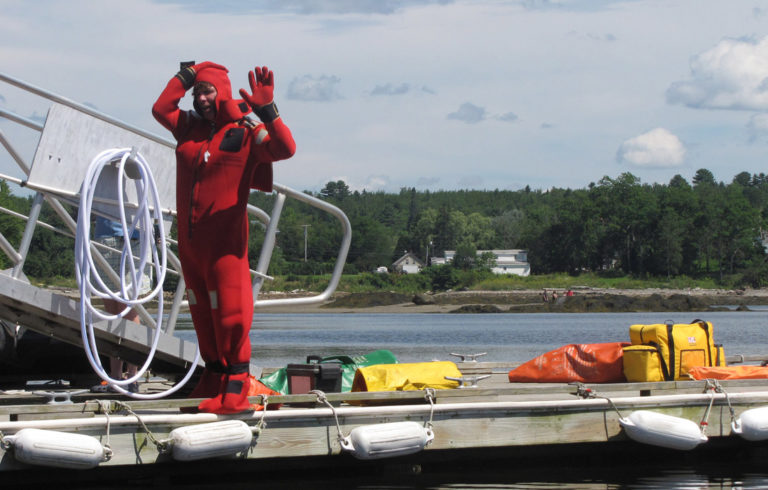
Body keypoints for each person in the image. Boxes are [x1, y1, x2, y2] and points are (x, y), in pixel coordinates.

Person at [152, 62, 296, 414]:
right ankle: (214, 376)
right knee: (202, 314)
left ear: (223, 92)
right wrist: (186, 74)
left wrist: (267, 110)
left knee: (230, 314)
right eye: (196, 92)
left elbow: (284, 148)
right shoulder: (189, 128)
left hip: (225, 246)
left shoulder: (246, 129)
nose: (201, 98)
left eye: (207, 90)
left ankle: (237, 384)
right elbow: (161, 109)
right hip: (191, 246)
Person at [92, 215, 152, 393]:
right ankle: (115, 376)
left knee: (128, 308)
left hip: (134, 234)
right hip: (107, 232)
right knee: (111, 310)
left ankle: (132, 376)